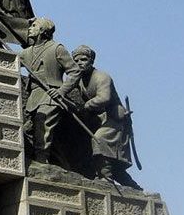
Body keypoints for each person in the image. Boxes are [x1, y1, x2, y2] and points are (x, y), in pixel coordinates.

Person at [71, 45, 142, 190]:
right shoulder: (79, 79)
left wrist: (85, 106)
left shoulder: (102, 77)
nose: (80, 63)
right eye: (76, 60)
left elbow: (104, 98)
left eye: (83, 59)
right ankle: (132, 187)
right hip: (99, 118)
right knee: (116, 167)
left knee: (99, 138)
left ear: (91, 60)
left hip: (115, 119)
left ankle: (105, 177)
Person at [20, 18, 81, 165]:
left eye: (34, 26)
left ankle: (41, 160)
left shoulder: (56, 48)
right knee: (27, 128)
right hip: (34, 96)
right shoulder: (27, 52)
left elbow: (75, 71)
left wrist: (61, 91)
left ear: (42, 30)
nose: (29, 29)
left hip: (51, 95)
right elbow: (7, 60)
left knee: (43, 125)